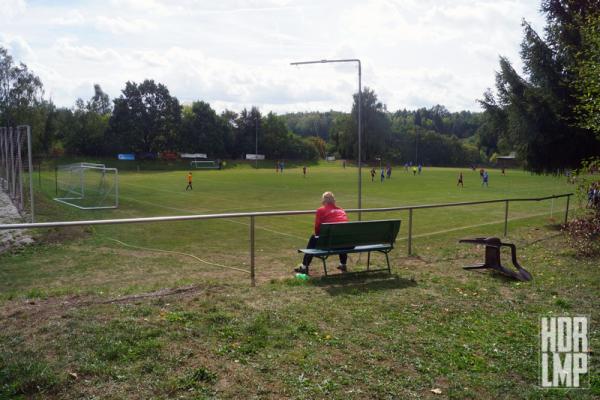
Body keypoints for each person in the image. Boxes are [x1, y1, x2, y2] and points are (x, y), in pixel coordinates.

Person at [295, 192, 349, 275]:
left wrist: (317, 236)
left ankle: (304, 266)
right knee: (340, 236)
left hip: (328, 244)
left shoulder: (321, 210)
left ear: (324, 200)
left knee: (313, 238)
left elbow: (317, 228)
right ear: (333, 200)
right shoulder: (341, 210)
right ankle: (343, 264)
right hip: (345, 243)